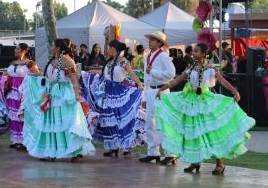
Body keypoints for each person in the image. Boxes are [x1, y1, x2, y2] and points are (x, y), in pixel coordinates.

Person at [156, 43, 255, 175]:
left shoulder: (211, 69)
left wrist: (234, 92)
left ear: (203, 54)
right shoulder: (191, 68)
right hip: (190, 103)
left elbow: (223, 81)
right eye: (193, 51)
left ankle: (220, 163)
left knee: (211, 132)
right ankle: (195, 161)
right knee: (193, 132)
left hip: (205, 102)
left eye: (196, 51)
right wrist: (162, 89)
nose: (193, 53)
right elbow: (176, 81)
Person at [21, 38, 94, 161]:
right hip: (52, 95)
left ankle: (75, 151)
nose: (51, 48)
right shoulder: (53, 61)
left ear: (58, 47)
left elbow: (74, 78)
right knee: (52, 124)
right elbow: (47, 77)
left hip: (64, 95)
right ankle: (52, 152)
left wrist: (77, 95)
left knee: (66, 123)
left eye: (53, 46)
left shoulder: (67, 61)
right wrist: (35, 76)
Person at [93, 40, 145, 157]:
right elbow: (104, 74)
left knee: (122, 119)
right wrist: (92, 72)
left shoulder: (123, 61)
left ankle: (127, 145)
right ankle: (113, 147)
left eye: (108, 48)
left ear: (113, 48)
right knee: (110, 120)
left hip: (119, 92)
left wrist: (139, 84)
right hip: (107, 92)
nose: (106, 50)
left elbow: (131, 74)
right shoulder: (109, 62)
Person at [138, 31, 176, 165]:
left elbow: (171, 74)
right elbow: (147, 78)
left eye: (152, 40)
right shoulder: (148, 56)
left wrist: (153, 72)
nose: (149, 42)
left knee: (163, 123)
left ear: (159, 43)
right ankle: (153, 152)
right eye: (149, 39)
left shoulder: (163, 56)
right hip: (151, 91)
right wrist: (145, 96)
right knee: (149, 122)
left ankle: (170, 153)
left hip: (162, 90)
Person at [0, 43, 39, 150]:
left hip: (23, 92)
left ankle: (25, 140)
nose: (15, 50)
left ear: (24, 51)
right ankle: (16, 140)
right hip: (12, 91)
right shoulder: (13, 62)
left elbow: (38, 74)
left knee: (22, 115)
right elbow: (8, 73)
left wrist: (28, 76)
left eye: (18, 49)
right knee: (13, 115)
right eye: (15, 48)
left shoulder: (29, 63)